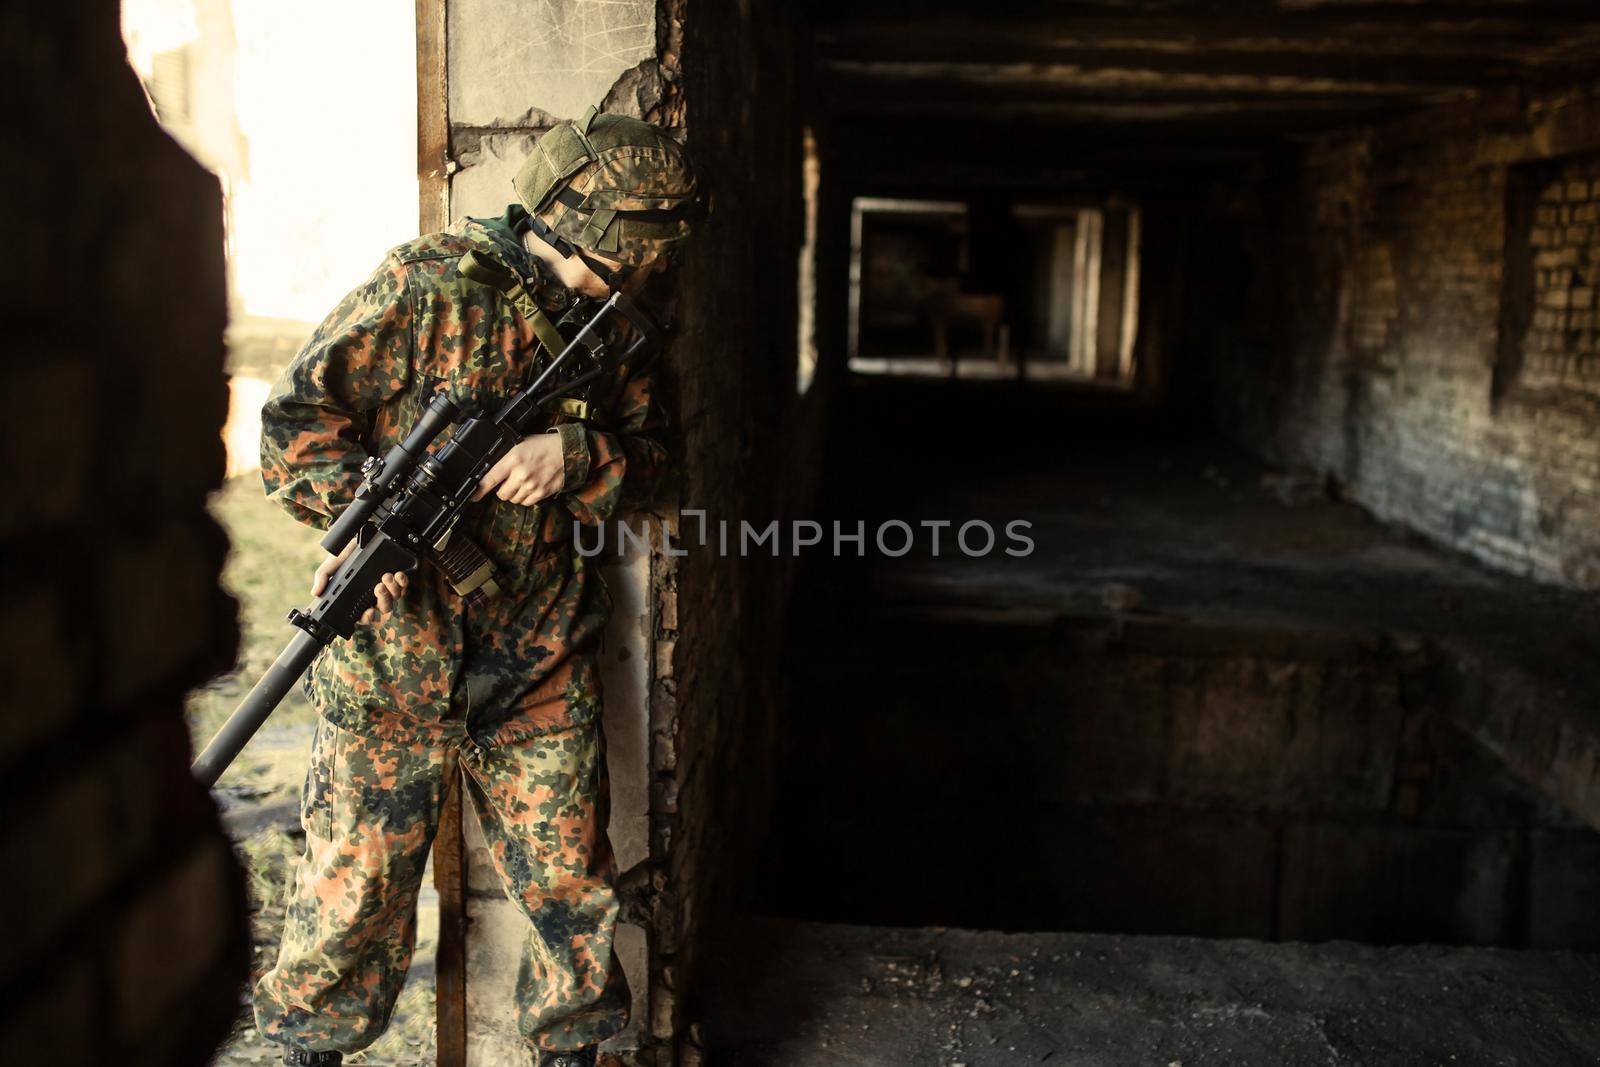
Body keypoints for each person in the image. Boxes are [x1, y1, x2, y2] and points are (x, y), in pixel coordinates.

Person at [251, 107, 698, 1067]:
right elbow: (292, 424)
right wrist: (357, 519)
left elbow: (663, 466)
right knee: (349, 899)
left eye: (627, 274)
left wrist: (575, 451)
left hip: (537, 663)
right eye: (605, 265)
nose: (614, 288)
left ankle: (574, 1055)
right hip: (391, 671)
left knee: (573, 899)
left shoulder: (610, 331)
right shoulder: (423, 287)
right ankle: (306, 1053)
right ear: (558, 219)